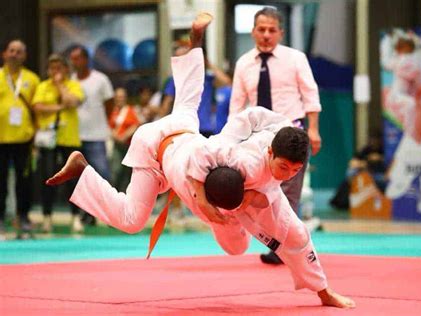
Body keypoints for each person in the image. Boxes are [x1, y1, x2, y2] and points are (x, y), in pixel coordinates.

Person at [46, 13, 354, 309]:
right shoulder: (236, 159)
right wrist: (205, 202)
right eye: (284, 167)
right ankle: (83, 170)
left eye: (294, 171)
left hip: (185, 128)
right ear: (271, 154)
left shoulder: (276, 135)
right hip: (158, 151)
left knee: (291, 235)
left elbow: (252, 115)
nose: (288, 174)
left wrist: (275, 130)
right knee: (132, 220)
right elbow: (202, 158)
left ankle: (195, 42)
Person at [230, 7, 323, 264]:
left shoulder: (295, 58)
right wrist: (229, 140)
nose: (266, 35)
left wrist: (313, 129)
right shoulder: (244, 63)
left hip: (292, 133)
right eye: (261, 30)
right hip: (258, 139)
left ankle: (283, 248)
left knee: (289, 195)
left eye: (272, 30)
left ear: (281, 33)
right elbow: (236, 106)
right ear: (253, 32)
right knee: (257, 191)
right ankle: (271, 239)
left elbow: (310, 95)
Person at [32, 53, 85, 233]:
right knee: (48, 176)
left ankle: (75, 217)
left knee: (72, 179)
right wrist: (59, 107)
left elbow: (72, 101)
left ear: (65, 69)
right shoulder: (42, 86)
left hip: (69, 138)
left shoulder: (73, 85)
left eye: (59, 68)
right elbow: (38, 107)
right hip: (48, 139)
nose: (55, 71)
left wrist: (60, 85)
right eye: (52, 68)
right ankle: (47, 217)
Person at [69, 45, 115, 226]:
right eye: (72, 59)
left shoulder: (100, 79)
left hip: (96, 135)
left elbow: (110, 104)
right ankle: (87, 214)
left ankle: (113, 213)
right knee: (80, 179)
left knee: (102, 174)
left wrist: (100, 123)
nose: (74, 62)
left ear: (86, 59)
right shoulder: (70, 81)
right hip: (73, 137)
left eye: (77, 58)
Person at [0, 40, 40, 239]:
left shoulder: (32, 79)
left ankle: (23, 217)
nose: (15, 54)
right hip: (0, 139)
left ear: (24, 56)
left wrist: (37, 136)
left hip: (24, 139)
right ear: (4, 54)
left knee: (24, 181)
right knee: (0, 182)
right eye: (12, 50)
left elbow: (38, 109)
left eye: (19, 52)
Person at [109, 87, 140, 192]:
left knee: (128, 172)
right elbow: (109, 126)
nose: (119, 99)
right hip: (117, 145)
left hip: (128, 145)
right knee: (115, 170)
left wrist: (124, 136)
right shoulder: (112, 111)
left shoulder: (130, 110)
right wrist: (116, 136)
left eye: (121, 97)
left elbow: (135, 125)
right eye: (118, 97)